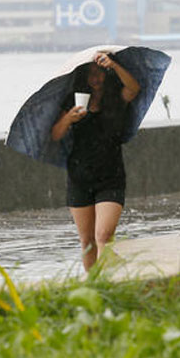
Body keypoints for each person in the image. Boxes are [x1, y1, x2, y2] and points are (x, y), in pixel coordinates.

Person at [51, 52, 141, 271]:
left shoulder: (117, 97)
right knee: (87, 241)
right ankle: (94, 287)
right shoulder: (73, 98)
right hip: (79, 176)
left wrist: (114, 65)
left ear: (107, 73)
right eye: (90, 74)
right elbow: (55, 134)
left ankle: (108, 283)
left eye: (99, 72)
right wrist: (68, 118)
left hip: (111, 175)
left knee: (104, 235)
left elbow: (134, 89)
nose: (95, 78)